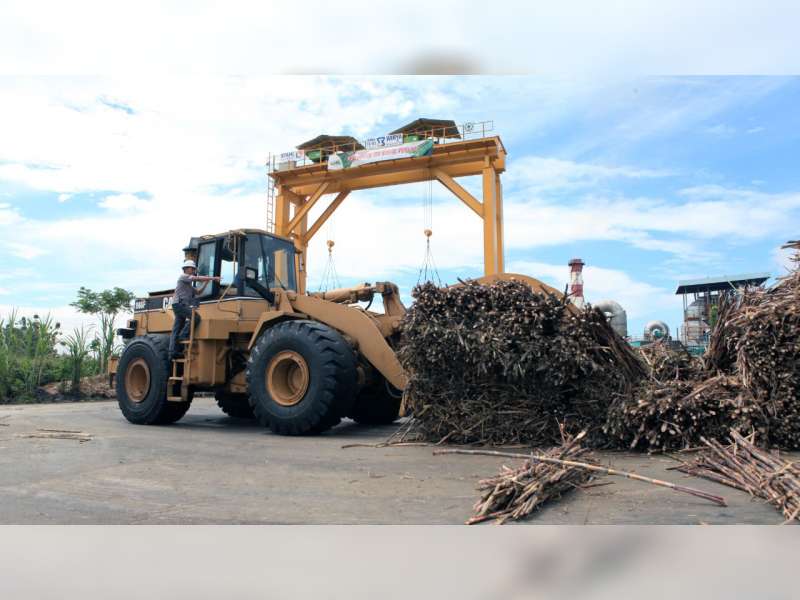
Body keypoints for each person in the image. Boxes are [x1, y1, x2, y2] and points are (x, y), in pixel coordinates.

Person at [169, 259, 220, 359]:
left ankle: (172, 353)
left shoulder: (187, 284)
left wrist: (207, 282)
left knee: (177, 328)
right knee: (196, 317)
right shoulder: (183, 277)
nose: (193, 270)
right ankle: (183, 335)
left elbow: (198, 292)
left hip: (179, 305)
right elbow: (196, 278)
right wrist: (213, 278)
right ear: (186, 269)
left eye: (193, 269)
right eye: (191, 268)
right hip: (179, 305)